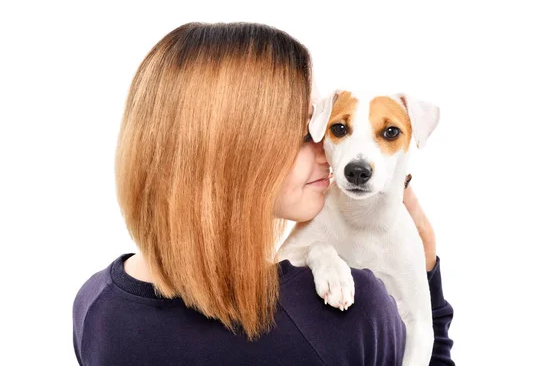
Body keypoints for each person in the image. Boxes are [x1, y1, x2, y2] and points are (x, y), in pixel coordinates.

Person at [72, 22, 454, 365]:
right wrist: (429, 295)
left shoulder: (97, 308)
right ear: (240, 150)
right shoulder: (350, 315)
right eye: (308, 131)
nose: (326, 151)